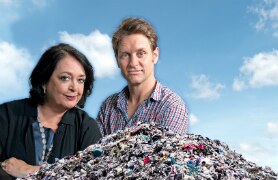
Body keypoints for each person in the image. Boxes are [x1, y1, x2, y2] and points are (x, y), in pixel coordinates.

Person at [0, 43, 102, 179]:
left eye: (80, 80)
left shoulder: (87, 127)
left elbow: (95, 175)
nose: (74, 88)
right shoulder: (7, 115)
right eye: (65, 78)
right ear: (44, 81)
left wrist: (30, 171)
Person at [96, 17, 189, 136]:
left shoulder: (172, 106)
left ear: (154, 56)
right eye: (125, 55)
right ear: (117, 60)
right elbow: (94, 153)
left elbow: (165, 154)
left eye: (141, 54)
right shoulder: (107, 107)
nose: (133, 63)